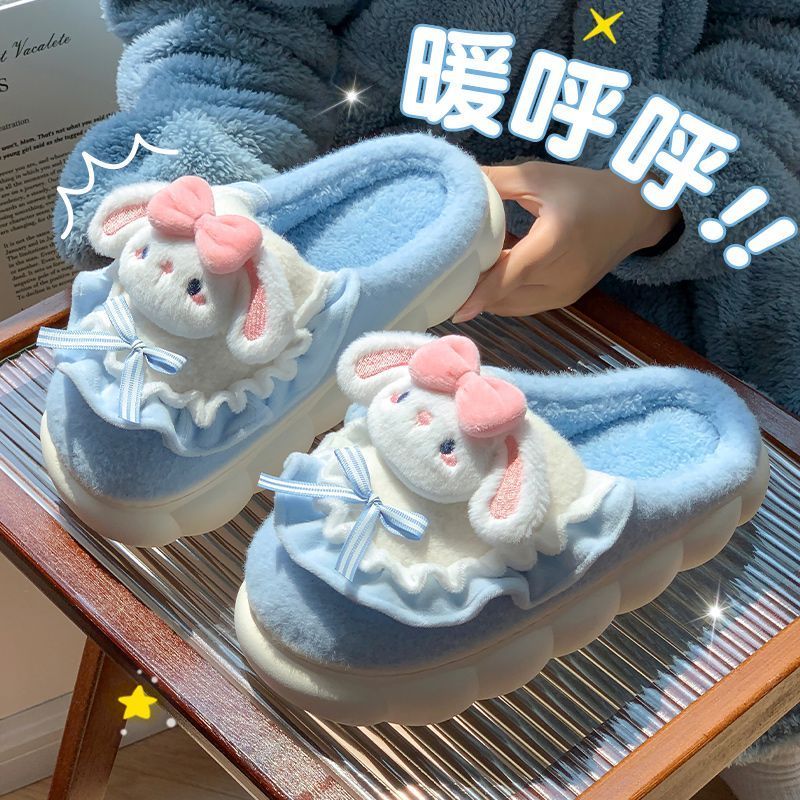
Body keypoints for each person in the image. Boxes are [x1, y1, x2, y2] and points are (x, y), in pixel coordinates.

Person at [57, 3, 800, 796]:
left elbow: (779, 38)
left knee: (755, 693)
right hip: (361, 243)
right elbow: (229, 31)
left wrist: (650, 189)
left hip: (685, 293)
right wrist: (222, 206)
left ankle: (770, 758)